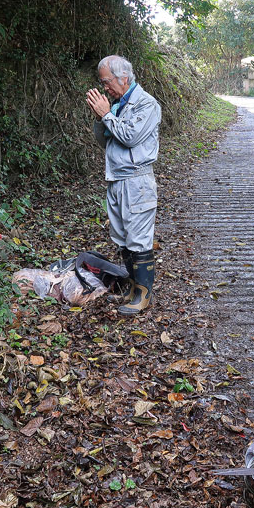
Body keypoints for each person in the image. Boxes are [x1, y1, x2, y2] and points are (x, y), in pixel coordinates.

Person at [86, 55, 161, 315]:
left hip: (136, 180)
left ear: (123, 78)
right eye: (102, 82)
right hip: (116, 178)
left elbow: (129, 137)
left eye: (107, 82)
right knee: (122, 238)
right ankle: (132, 288)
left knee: (139, 239)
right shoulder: (118, 105)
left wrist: (106, 114)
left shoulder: (146, 104)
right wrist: (101, 117)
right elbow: (105, 141)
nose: (105, 87)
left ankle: (143, 295)